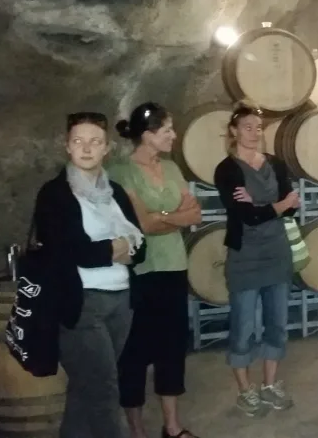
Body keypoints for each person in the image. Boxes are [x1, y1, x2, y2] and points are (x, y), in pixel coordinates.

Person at [33, 112, 146, 438]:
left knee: (85, 391)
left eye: (94, 141)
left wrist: (118, 249)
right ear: (67, 147)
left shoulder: (116, 194)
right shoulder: (55, 194)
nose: (86, 148)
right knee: (104, 390)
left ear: (107, 148)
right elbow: (68, 250)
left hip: (121, 301)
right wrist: (115, 249)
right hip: (81, 304)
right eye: (78, 141)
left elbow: (141, 249)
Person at [109, 103, 202, 438]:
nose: (174, 136)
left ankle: (172, 426)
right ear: (147, 135)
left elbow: (194, 214)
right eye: (167, 130)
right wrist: (169, 217)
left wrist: (160, 216)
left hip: (174, 266)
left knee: (172, 347)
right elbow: (140, 224)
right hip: (140, 271)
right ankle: (136, 430)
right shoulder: (121, 171)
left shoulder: (173, 168)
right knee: (134, 351)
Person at [214, 104, 299, 417]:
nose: (254, 132)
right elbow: (245, 216)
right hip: (245, 256)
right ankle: (244, 390)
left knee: (276, 323)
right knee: (244, 326)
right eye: (248, 126)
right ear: (234, 131)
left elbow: (292, 206)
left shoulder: (275, 164)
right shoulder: (227, 169)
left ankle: (270, 384)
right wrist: (275, 205)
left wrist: (263, 204)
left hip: (277, 252)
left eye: (259, 127)